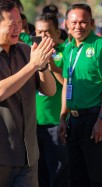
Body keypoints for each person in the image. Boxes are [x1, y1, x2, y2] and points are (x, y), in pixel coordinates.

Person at [0, 0, 56, 186]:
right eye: (12, 24)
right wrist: (33, 65)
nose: (18, 29)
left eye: (20, 23)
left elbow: (50, 90)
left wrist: (43, 67)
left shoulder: (26, 51)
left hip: (26, 155)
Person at [59, 3, 102, 187]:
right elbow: (67, 84)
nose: (78, 26)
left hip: (94, 119)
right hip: (74, 121)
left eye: (83, 22)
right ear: (66, 23)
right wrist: (62, 116)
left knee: (99, 178)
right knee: (76, 178)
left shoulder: (101, 45)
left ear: (91, 23)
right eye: (74, 22)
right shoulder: (69, 48)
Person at [34, 13, 69, 187]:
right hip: (34, 124)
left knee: (58, 174)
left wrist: (51, 65)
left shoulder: (66, 52)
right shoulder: (31, 54)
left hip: (55, 123)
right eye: (39, 32)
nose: (43, 36)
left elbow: (67, 84)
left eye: (48, 32)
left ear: (57, 33)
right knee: (38, 174)